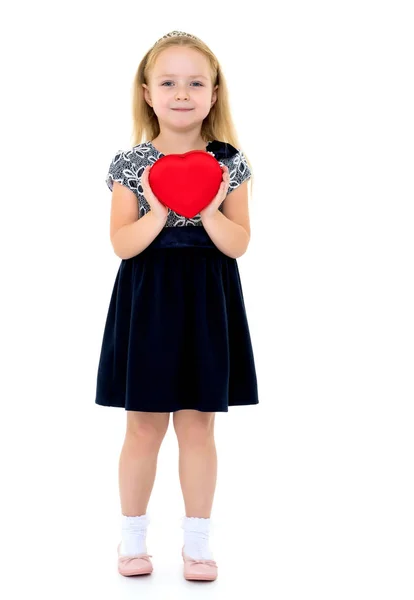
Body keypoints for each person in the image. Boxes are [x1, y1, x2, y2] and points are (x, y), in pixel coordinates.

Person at [95, 30, 259, 581]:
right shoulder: (130, 163)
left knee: (198, 426)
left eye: (196, 82)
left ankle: (197, 545)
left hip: (208, 301)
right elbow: (121, 244)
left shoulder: (230, 163)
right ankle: (132, 539)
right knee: (142, 425)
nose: (182, 93)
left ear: (214, 94)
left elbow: (238, 243)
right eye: (168, 82)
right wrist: (162, 207)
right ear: (147, 92)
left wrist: (210, 208)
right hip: (148, 300)